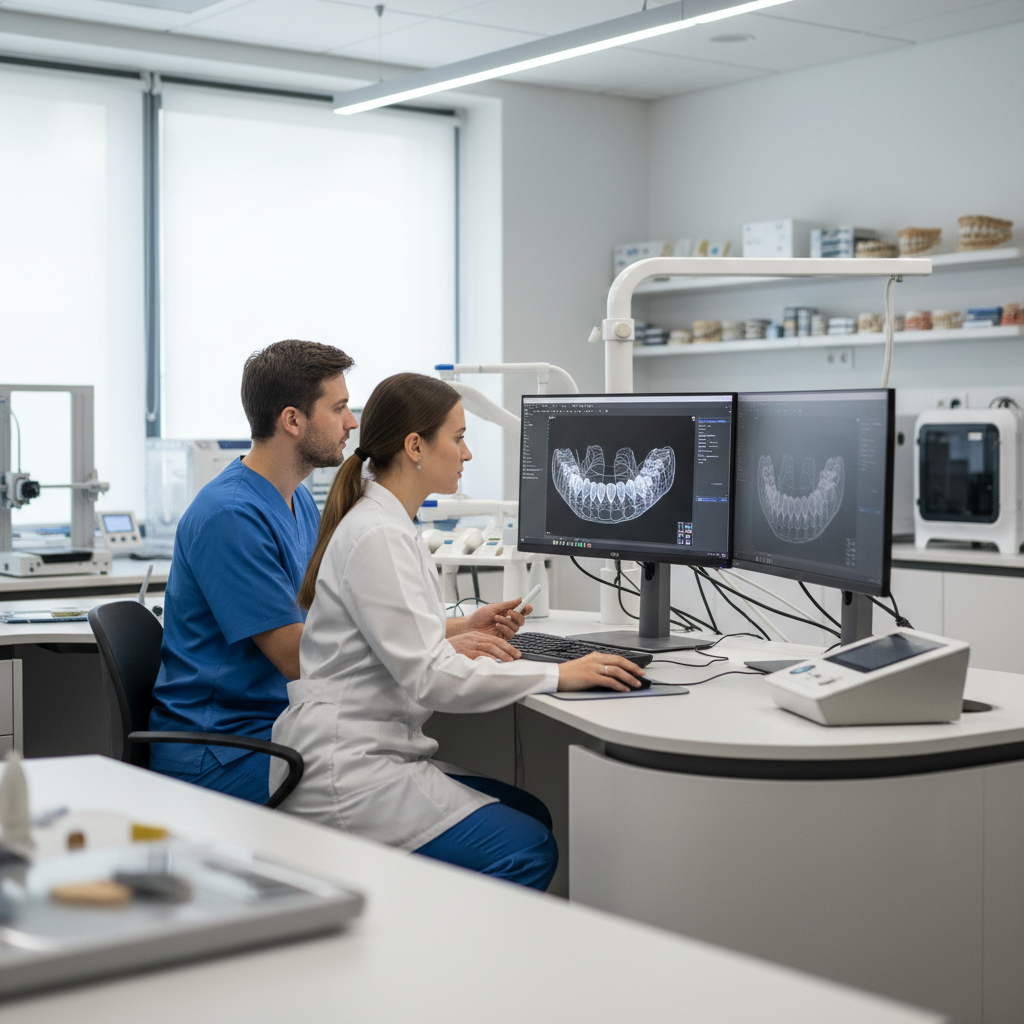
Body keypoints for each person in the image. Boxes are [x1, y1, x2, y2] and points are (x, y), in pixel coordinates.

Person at [272, 373, 645, 889]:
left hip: (368, 749)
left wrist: (458, 628)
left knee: (531, 811)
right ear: (416, 446)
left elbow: (387, 638)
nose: (467, 455)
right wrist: (559, 673)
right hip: (350, 769)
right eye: (460, 438)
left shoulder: (386, 522)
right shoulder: (378, 534)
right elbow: (430, 677)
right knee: (528, 848)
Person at [150, 341, 538, 805]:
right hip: (225, 751)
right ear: (293, 420)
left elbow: (332, 628)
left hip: (284, 731)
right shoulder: (231, 517)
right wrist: (435, 648)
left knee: (509, 804)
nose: (352, 423)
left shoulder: (297, 506)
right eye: (338, 409)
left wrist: (456, 626)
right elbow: (303, 658)